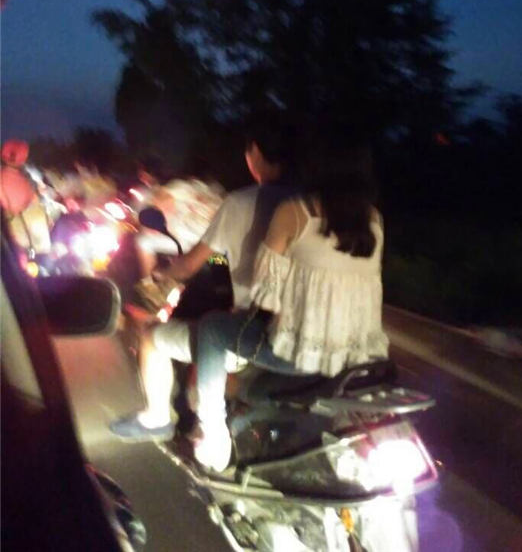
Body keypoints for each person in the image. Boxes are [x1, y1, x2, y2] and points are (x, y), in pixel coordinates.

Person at [192, 123, 389, 471]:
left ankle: (213, 434)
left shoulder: (294, 212)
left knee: (211, 329)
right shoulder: (374, 220)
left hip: (299, 355)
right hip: (357, 356)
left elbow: (265, 294)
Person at [110, 112, 296, 446]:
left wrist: (161, 276)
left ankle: (157, 418)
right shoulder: (310, 204)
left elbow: (187, 267)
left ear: (254, 153)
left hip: (258, 329)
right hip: (307, 331)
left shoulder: (239, 202)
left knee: (152, 337)